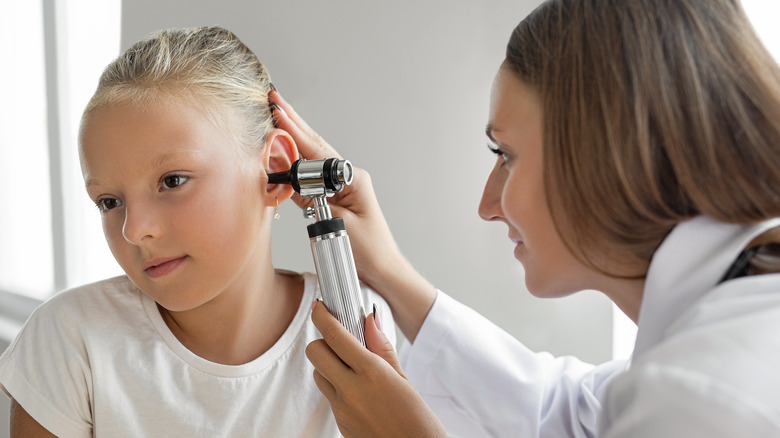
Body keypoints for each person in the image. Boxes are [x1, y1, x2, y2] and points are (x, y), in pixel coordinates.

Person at [269, 0, 780, 436]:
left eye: (506, 155)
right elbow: (566, 413)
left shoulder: (707, 397)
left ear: (605, 154)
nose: (488, 205)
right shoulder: (720, 334)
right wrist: (390, 272)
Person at [0, 26, 394, 437]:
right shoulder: (70, 340)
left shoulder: (357, 324)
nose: (135, 230)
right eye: (109, 202)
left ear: (274, 173)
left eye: (172, 181)